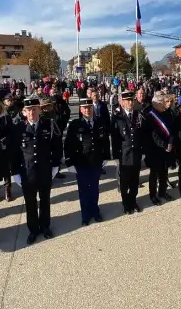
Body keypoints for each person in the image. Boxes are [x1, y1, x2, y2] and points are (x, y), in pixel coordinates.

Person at [11, 97, 62, 244]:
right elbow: (14, 152)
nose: (32, 112)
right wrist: (15, 172)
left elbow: (57, 147)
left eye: (34, 109)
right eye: (28, 110)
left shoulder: (49, 125)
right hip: (27, 173)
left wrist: (55, 166)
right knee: (30, 203)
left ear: (39, 110)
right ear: (24, 112)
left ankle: (45, 227)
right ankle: (33, 230)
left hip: (45, 170)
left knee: (45, 201)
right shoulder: (18, 128)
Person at [64, 98, 105, 226]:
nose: (87, 110)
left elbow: (104, 141)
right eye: (85, 108)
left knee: (94, 188)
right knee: (83, 190)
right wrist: (69, 162)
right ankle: (85, 215)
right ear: (81, 110)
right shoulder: (75, 124)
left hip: (96, 161)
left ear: (92, 108)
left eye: (89, 107)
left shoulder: (99, 122)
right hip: (81, 162)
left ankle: (95, 211)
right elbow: (68, 144)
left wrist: (105, 158)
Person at [110, 91, 145, 214]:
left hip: (136, 153)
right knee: (124, 181)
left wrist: (143, 151)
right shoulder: (117, 116)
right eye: (127, 101)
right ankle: (126, 203)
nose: (130, 103)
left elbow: (142, 134)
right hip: (124, 154)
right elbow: (114, 138)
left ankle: (133, 200)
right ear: (122, 102)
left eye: (131, 100)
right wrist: (115, 155)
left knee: (135, 180)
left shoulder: (139, 115)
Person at [143, 92, 174, 205]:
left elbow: (171, 131)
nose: (164, 104)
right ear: (155, 103)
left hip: (166, 149)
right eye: (161, 102)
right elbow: (154, 135)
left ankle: (162, 192)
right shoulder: (150, 116)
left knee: (164, 173)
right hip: (154, 150)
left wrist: (170, 143)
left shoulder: (166, 114)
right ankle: (152, 195)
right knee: (154, 175)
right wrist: (165, 145)